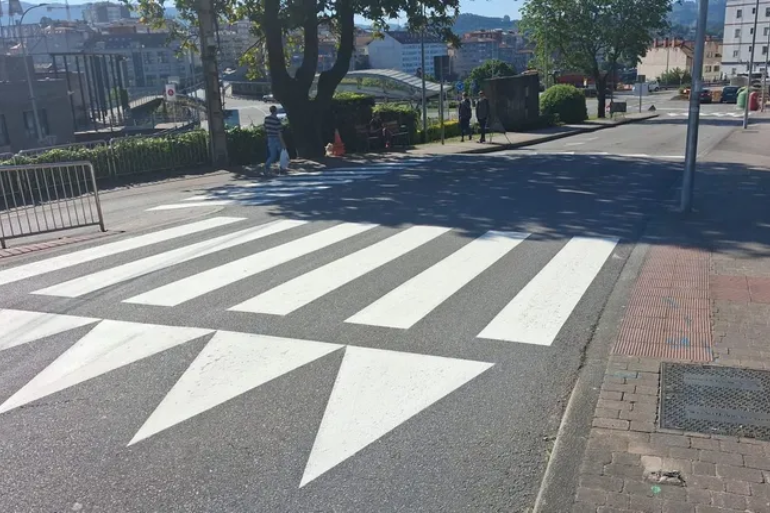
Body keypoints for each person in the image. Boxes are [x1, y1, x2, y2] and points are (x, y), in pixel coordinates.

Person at [263, 105, 285, 175]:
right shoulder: (277, 120)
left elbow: (264, 128)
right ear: (275, 111)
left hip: (270, 138)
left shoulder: (266, 119)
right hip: (277, 139)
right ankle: (282, 168)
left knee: (272, 155)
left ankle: (266, 166)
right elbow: (279, 133)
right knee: (282, 153)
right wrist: (283, 143)